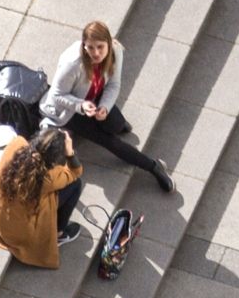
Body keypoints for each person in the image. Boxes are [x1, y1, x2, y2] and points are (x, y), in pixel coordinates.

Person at [45, 20, 170, 189]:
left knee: (115, 124)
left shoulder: (115, 51)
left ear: (109, 44)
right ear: (84, 45)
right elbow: (55, 95)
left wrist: (105, 106)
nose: (96, 53)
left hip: (95, 99)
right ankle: (154, 166)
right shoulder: (72, 64)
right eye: (90, 47)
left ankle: (114, 122)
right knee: (108, 141)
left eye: (100, 47)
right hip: (70, 110)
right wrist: (81, 106)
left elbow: (113, 84)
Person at [0, 130, 85, 268]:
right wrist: (70, 153)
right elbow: (75, 172)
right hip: (18, 232)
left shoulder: (16, 145)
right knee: (75, 185)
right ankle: (59, 233)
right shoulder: (48, 178)